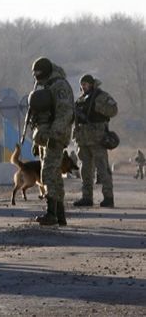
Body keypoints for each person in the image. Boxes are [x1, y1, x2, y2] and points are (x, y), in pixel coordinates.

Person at [30, 57, 74, 226]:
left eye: (38, 74)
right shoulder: (47, 85)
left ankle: (52, 213)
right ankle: (60, 214)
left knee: (48, 172)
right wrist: (37, 141)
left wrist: (54, 136)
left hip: (55, 136)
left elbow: (64, 113)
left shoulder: (59, 86)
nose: (36, 77)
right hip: (46, 136)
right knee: (54, 174)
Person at [72, 74, 118, 208]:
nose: (84, 86)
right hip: (83, 140)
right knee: (85, 170)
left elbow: (113, 110)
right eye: (82, 85)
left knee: (102, 168)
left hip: (97, 139)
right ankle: (87, 197)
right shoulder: (80, 100)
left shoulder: (101, 96)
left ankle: (108, 197)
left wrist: (98, 108)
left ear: (92, 84)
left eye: (86, 84)